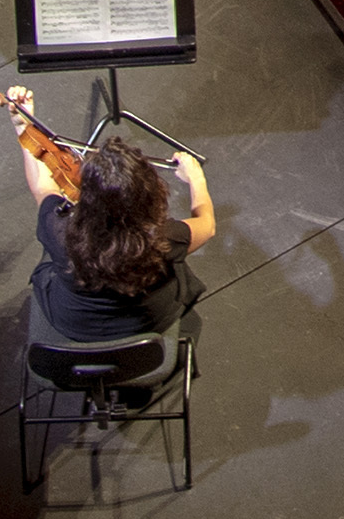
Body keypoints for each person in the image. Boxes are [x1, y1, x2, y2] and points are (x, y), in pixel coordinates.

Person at [21, 118, 216, 357]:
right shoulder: (164, 239)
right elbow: (207, 225)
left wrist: (23, 127)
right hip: (146, 324)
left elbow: (43, 187)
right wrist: (197, 179)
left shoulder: (60, 230)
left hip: (74, 323)